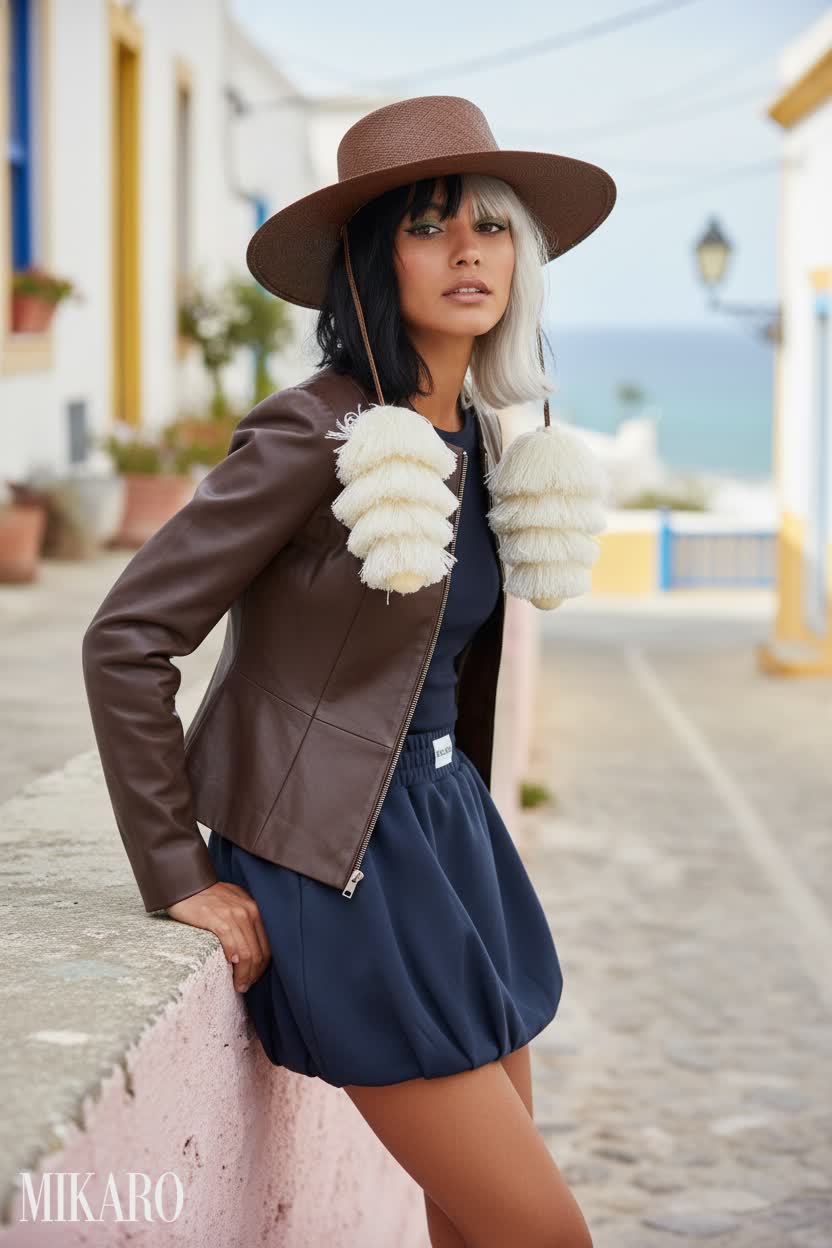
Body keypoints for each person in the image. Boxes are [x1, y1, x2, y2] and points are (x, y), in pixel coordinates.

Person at [82, 95, 616, 1248]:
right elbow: (127, 637)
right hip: (337, 860)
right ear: (376, 257)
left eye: (491, 225)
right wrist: (177, 870)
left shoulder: (475, 435)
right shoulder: (312, 433)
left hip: (447, 836)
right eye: (428, 226)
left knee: (472, 1229)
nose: (469, 249)